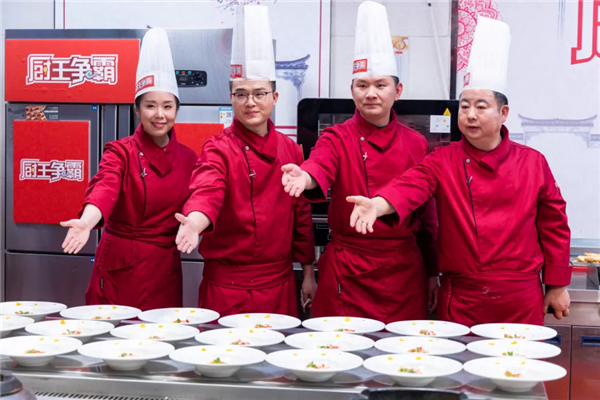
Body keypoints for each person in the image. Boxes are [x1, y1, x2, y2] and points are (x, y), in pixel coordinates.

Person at [347, 17, 571, 326]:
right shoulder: (443, 159)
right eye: (464, 107)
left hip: (520, 296)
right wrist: (379, 204)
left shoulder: (533, 162)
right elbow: (411, 184)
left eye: (481, 106)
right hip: (461, 296)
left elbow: (554, 225)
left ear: (503, 113)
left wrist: (557, 285)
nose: (470, 115)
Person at [280, 1, 438, 323]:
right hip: (347, 269)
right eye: (362, 85)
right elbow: (320, 164)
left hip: (403, 270)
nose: (371, 93)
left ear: (398, 90)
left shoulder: (417, 143)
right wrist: (305, 177)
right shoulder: (336, 137)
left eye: (381, 85)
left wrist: (432, 271)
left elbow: (428, 217)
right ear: (352, 90)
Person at [174, 5, 316, 317]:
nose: (250, 102)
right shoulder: (218, 148)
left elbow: (301, 217)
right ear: (231, 98)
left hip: (277, 283)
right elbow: (207, 191)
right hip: (226, 285)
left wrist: (308, 272)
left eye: (259, 94)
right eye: (241, 94)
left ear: (274, 98)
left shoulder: (291, 150)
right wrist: (195, 222)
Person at [60, 28, 198, 310]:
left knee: (163, 331)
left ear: (176, 110)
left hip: (164, 267)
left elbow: (202, 200)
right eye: (150, 106)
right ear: (137, 110)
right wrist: (87, 222)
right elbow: (105, 188)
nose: (159, 115)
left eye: (167, 106)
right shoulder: (120, 152)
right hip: (120, 265)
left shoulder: (189, 158)